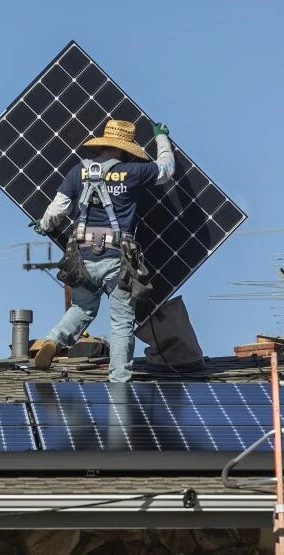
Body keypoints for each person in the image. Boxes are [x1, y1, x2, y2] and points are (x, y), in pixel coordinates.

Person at [30, 118, 175, 382]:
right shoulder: (132, 172)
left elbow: (58, 208)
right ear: (123, 148)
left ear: (103, 145)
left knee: (83, 308)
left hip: (82, 256)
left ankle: (52, 341)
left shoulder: (78, 172)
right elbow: (166, 169)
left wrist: (43, 224)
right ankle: (119, 379)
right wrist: (161, 138)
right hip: (117, 257)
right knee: (121, 321)